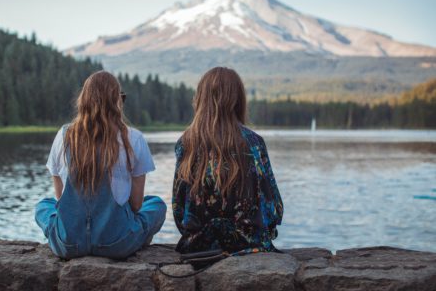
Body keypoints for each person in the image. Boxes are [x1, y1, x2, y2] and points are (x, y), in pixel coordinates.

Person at [35, 71, 166, 259]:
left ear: (84, 100)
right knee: (156, 204)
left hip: (70, 244)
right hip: (116, 244)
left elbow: (60, 199)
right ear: (117, 101)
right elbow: (136, 205)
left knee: (44, 206)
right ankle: (138, 236)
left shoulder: (64, 135)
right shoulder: (134, 138)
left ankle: (60, 235)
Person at [172, 67, 284, 254]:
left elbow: (178, 209)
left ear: (201, 99)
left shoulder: (185, 143)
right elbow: (274, 208)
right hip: (248, 244)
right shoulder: (254, 142)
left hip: (198, 246)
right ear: (238, 100)